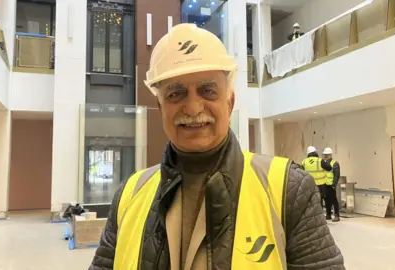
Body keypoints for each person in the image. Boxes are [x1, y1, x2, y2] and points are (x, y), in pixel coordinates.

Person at [89, 24, 344, 270]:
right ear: (161, 108)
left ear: (229, 102)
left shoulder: (287, 189)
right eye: (176, 93)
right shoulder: (129, 195)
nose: (193, 108)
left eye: (207, 90)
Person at [323, 147, 341, 222]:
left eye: (327, 155)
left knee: (334, 200)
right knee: (327, 200)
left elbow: (337, 175)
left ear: (330, 155)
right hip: (324, 184)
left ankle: (337, 215)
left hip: (331, 185)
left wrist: (334, 184)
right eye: (325, 155)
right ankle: (328, 214)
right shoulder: (323, 163)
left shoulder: (334, 163)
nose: (326, 156)